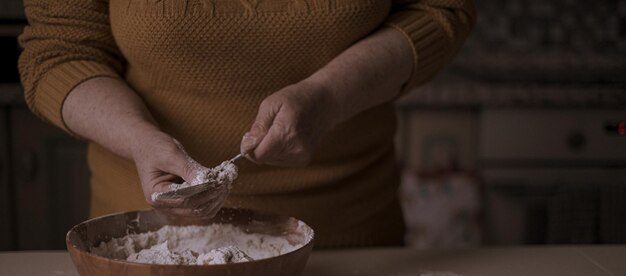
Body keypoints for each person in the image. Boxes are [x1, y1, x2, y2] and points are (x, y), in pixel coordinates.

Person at [19, 0, 475, 248]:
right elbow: (60, 51)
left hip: (345, 239)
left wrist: (330, 96)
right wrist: (140, 139)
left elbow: (442, 9)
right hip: (150, 242)